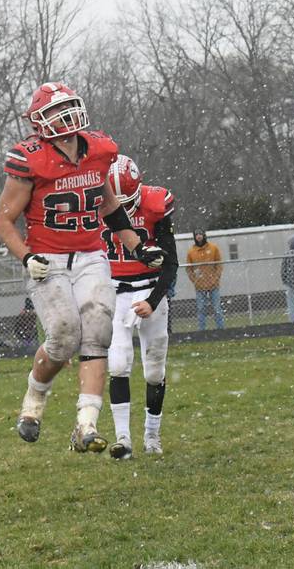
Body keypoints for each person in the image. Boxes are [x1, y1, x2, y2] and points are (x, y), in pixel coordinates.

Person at [0, 82, 165, 452]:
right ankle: (33, 401)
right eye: (56, 110)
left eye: (69, 106)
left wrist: (138, 246)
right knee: (64, 334)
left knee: (98, 333)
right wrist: (26, 256)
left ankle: (86, 425)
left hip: (90, 254)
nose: (66, 116)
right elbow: (3, 221)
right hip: (47, 258)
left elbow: (109, 207)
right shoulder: (30, 159)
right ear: (40, 120)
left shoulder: (98, 150)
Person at [103, 155, 178, 459]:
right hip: (116, 292)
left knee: (154, 372)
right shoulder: (94, 206)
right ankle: (123, 439)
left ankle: (152, 434)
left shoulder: (155, 205)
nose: (123, 211)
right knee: (118, 365)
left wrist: (152, 300)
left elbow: (171, 264)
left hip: (150, 289)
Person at [186, 230, 225, 330]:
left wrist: (215, 278)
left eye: (200, 234)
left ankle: (221, 330)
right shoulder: (191, 252)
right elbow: (189, 269)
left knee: (217, 309)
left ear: (204, 235)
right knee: (201, 309)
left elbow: (219, 264)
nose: (198, 236)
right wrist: (195, 281)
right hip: (200, 286)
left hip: (214, 285)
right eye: (196, 235)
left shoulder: (213, 248)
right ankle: (201, 331)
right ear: (194, 237)